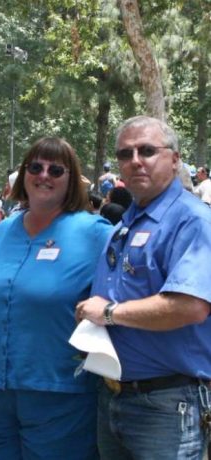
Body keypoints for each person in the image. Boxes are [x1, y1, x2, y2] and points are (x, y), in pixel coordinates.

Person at [76, 116, 211, 460]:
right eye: (125, 153)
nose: (135, 160)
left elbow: (190, 306)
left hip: (167, 403)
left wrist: (108, 313)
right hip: (112, 396)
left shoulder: (193, 221)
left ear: (175, 159)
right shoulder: (125, 222)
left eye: (147, 150)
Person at [0, 137, 112, 459]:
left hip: (61, 393)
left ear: (71, 179)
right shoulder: (0, 232)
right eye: (35, 167)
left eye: (56, 169)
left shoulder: (95, 233)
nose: (43, 175)